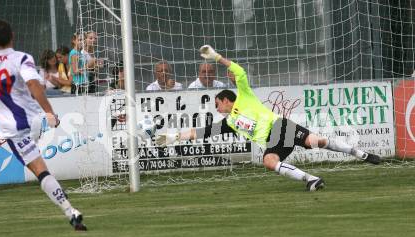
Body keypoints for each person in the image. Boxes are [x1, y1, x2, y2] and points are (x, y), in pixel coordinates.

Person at [157, 45, 381, 191]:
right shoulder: (230, 123)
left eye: (217, 104)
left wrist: (217, 57)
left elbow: (240, 72)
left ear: (226, 100)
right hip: (278, 136)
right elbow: (201, 132)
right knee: (317, 142)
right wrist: (174, 136)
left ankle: (352, 157)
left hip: (278, 126)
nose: (217, 109)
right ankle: (328, 171)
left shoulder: (243, 96)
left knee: (273, 159)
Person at [0, 19, 87, 230]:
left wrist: (2, 103)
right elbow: (33, 85)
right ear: (13, 35)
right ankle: (65, 203)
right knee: (41, 165)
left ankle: (70, 210)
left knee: (40, 171)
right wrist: (49, 113)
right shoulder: (21, 58)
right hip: (35, 121)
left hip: (14, 130)